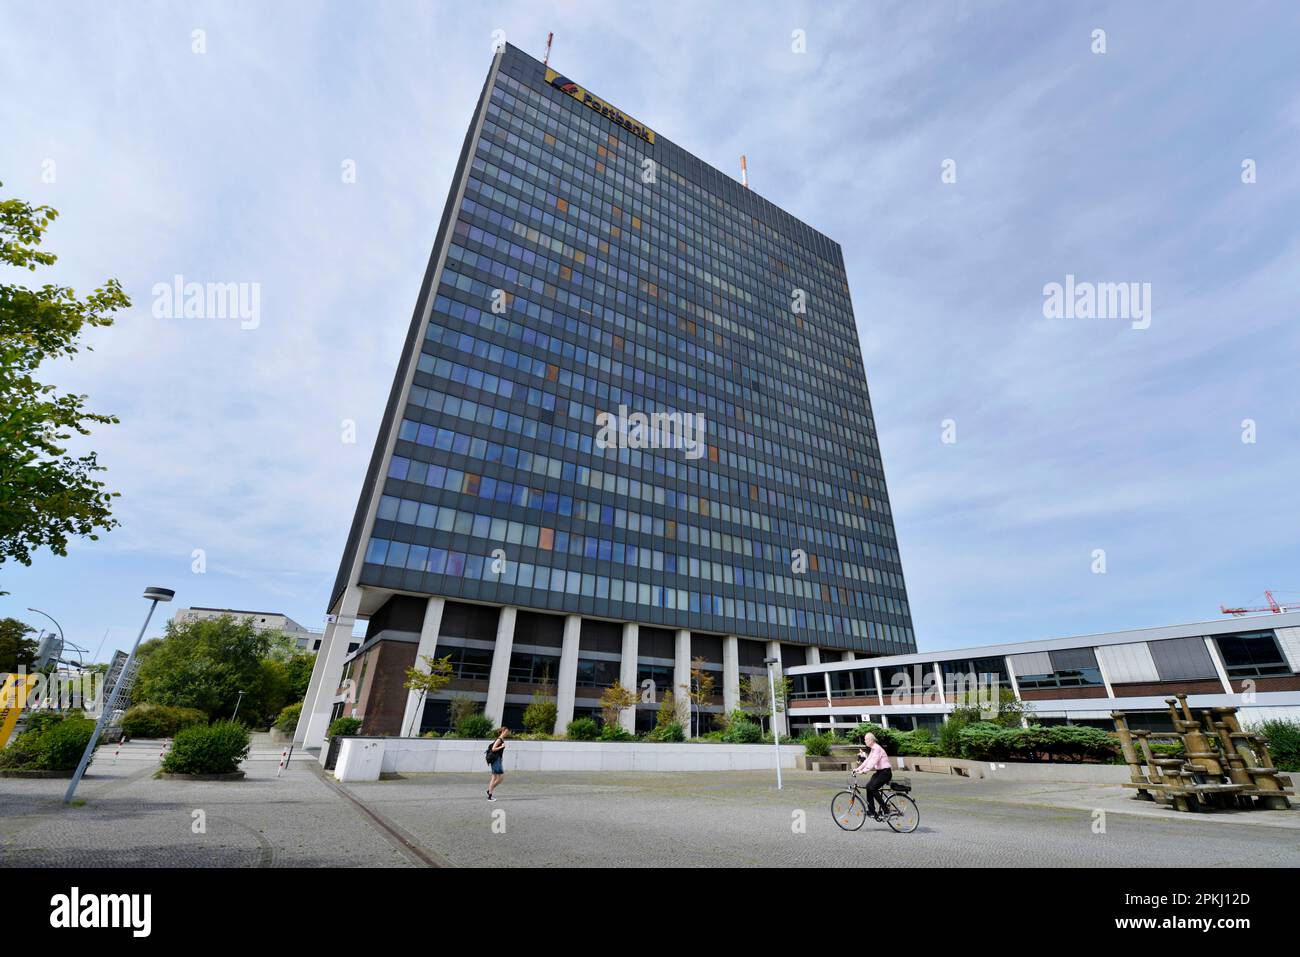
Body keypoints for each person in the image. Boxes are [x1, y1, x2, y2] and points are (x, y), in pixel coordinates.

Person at [852, 732, 892, 819]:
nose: (865, 741)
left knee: (873, 788)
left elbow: (873, 762)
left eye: (866, 739)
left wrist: (864, 771)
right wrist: (858, 769)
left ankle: (886, 810)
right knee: (868, 787)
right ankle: (872, 811)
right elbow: (867, 760)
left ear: (871, 740)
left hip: (885, 773)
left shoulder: (877, 749)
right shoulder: (873, 749)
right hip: (880, 772)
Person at [486, 727, 509, 802]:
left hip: (497, 760)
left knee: (494, 777)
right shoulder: (499, 740)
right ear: (502, 731)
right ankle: (490, 792)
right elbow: (493, 749)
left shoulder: (501, 739)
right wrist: (501, 746)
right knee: (500, 778)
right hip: (496, 760)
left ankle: (490, 792)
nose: (507, 733)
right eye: (506, 732)